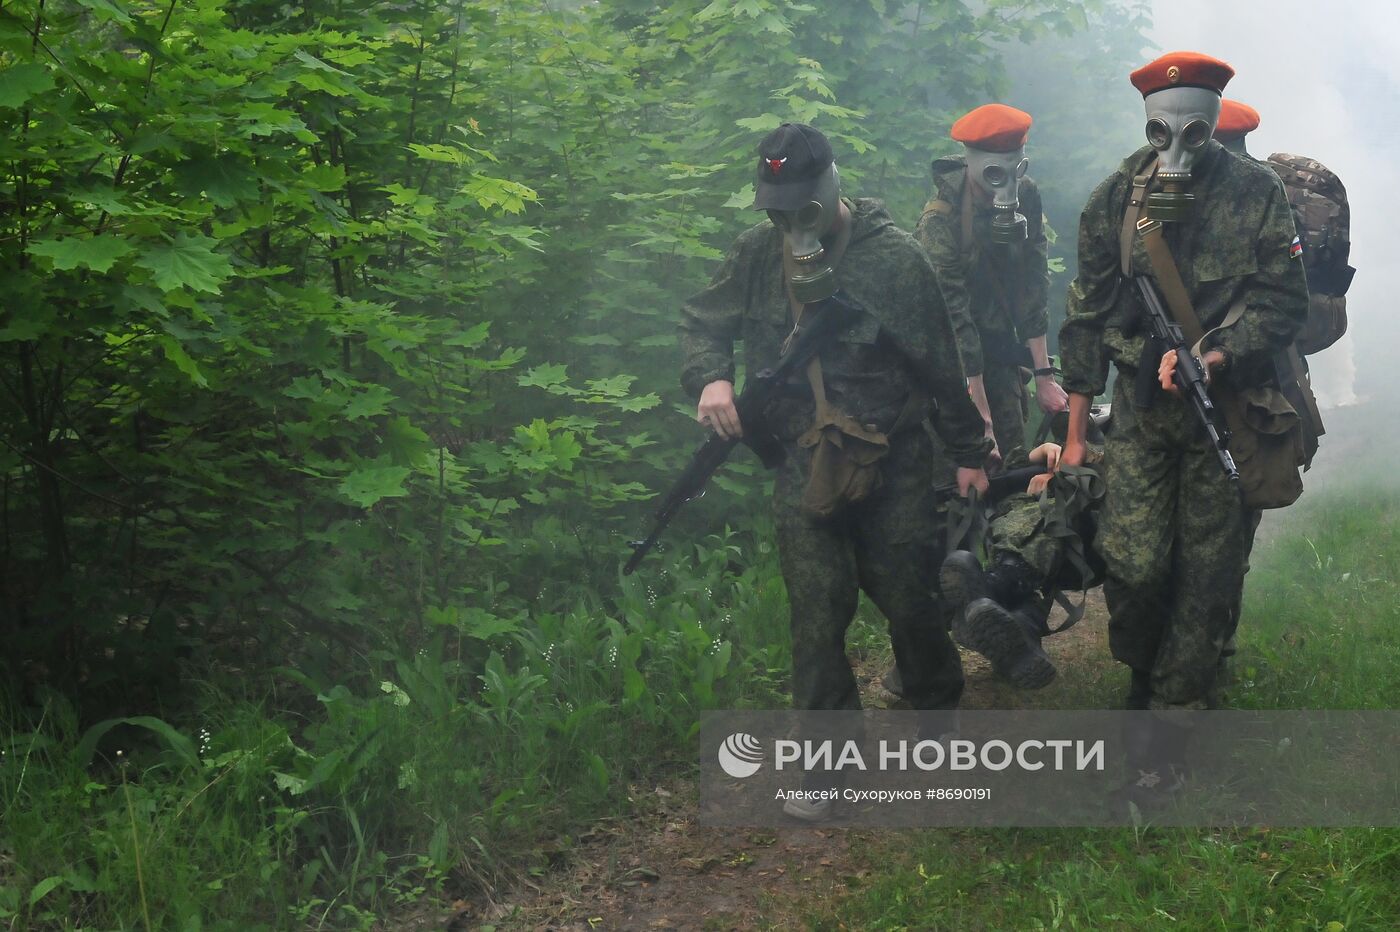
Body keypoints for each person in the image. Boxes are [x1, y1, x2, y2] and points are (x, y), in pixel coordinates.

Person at [679, 123, 990, 820]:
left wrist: (969, 454)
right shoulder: (757, 256)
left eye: (801, 204)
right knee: (816, 611)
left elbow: (944, 369)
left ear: (831, 187)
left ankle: (939, 732)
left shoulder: (896, 261)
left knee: (909, 601)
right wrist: (710, 381)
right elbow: (702, 321)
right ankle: (827, 769)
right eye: (776, 206)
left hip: (895, 463)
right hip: (802, 462)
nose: (790, 221)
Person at [1057, 53, 1309, 718]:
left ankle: (1177, 702)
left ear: (1213, 124)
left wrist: (1218, 354)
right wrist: (1077, 436)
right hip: (1141, 417)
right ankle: (1144, 667)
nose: (1176, 149)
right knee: (1133, 563)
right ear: (1147, 129)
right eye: (1160, 133)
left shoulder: (1258, 194)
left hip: (1223, 412)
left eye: (1193, 133)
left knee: (1208, 571)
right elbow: (1084, 317)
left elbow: (1284, 300)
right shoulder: (1115, 200)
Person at [915, 104, 1068, 472]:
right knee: (966, 473)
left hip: (1000, 357)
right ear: (972, 164)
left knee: (1011, 468)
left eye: (1017, 171)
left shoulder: (1027, 196)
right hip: (952, 368)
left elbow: (1032, 284)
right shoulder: (940, 220)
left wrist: (1044, 377)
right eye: (996, 174)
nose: (1009, 186)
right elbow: (955, 318)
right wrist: (980, 417)